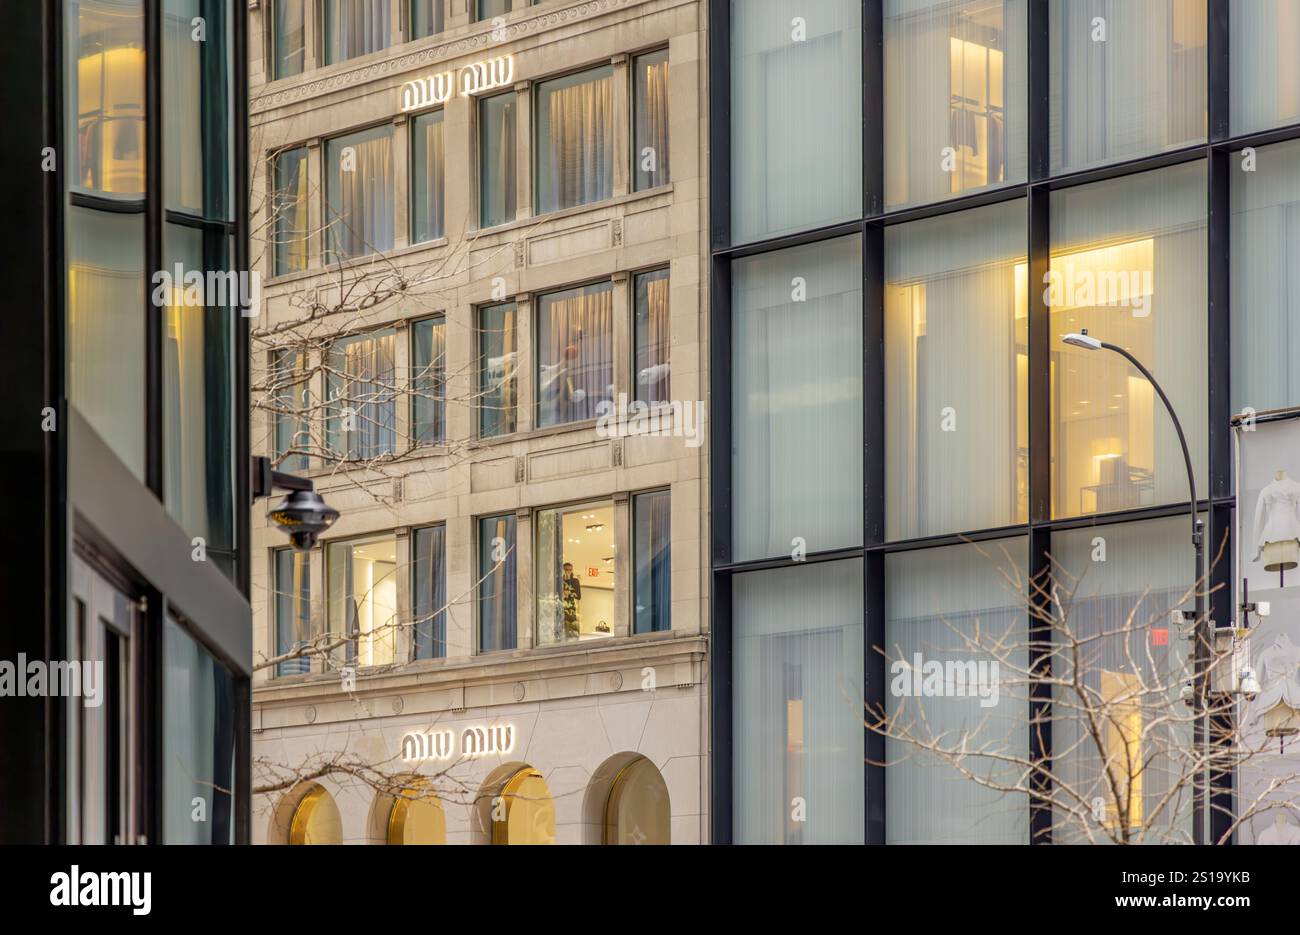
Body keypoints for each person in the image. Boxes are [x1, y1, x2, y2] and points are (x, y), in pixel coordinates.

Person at [561, 562, 582, 638]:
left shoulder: (575, 581)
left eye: (570, 570)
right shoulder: (559, 580)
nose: (568, 571)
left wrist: (570, 592)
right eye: (566, 569)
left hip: (571, 609)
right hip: (561, 608)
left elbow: (578, 596)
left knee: (572, 632)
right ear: (563, 570)